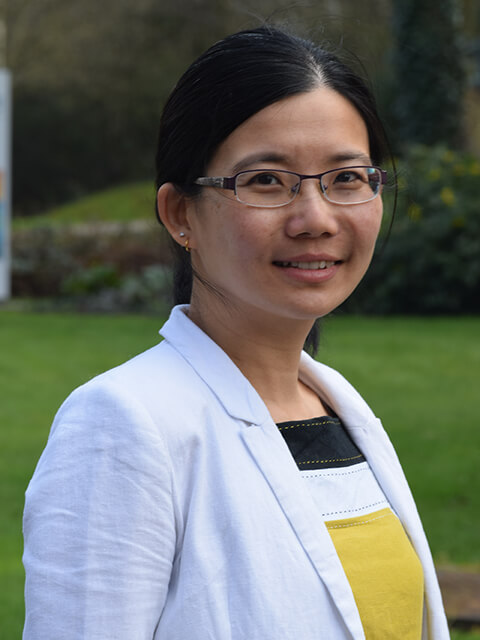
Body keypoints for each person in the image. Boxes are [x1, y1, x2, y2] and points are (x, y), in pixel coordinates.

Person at [23, 26, 449, 640]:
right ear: (180, 214)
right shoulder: (124, 422)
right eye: (266, 181)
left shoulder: (338, 409)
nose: (316, 220)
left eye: (347, 178)